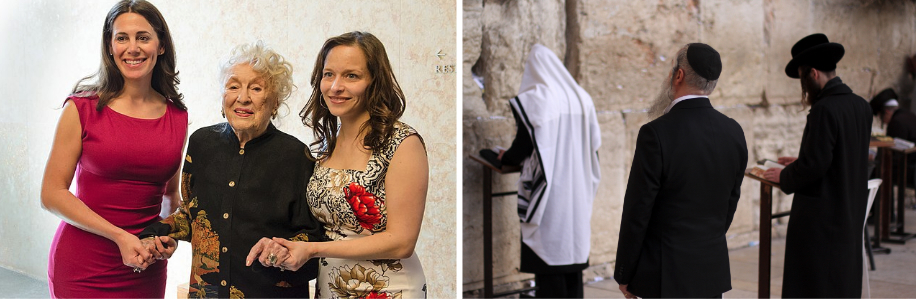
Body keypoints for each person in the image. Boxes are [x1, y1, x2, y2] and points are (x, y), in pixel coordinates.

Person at [247, 31, 429, 298]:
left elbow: (401, 242)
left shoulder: (403, 143)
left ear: (374, 82)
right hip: (331, 286)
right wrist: (280, 246)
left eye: (351, 76)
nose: (335, 87)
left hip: (389, 289)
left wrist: (314, 250)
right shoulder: (324, 148)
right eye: (329, 74)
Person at [137, 42, 324, 298]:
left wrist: (280, 251)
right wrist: (155, 234)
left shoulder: (296, 156)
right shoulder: (201, 143)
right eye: (233, 86)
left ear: (275, 100)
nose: (243, 97)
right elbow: (193, 214)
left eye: (256, 88)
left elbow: (314, 237)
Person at [39, 0, 187, 297]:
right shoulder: (81, 107)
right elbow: (51, 194)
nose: (132, 48)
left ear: (160, 46)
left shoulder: (177, 116)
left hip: (145, 268)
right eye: (122, 38)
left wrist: (171, 233)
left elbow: (170, 195)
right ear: (110, 46)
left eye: (143, 37)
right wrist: (120, 237)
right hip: (83, 268)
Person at [613, 43, 747, 298]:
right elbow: (731, 201)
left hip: (665, 274)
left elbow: (638, 210)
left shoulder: (656, 133)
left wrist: (625, 273)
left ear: (679, 75)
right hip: (710, 270)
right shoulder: (733, 131)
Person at [763, 33, 872, 297]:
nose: (802, 86)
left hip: (822, 220)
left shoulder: (825, 109)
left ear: (813, 73)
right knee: (840, 282)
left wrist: (784, 175)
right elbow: (840, 156)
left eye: (802, 77)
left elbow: (815, 167)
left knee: (815, 284)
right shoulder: (860, 106)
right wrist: (799, 161)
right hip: (848, 213)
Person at [496, 43, 602, 298]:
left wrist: (505, 157)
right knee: (571, 261)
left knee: (550, 262)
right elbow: (594, 147)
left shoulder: (538, 100)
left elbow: (523, 145)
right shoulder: (582, 98)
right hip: (577, 190)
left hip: (552, 194)